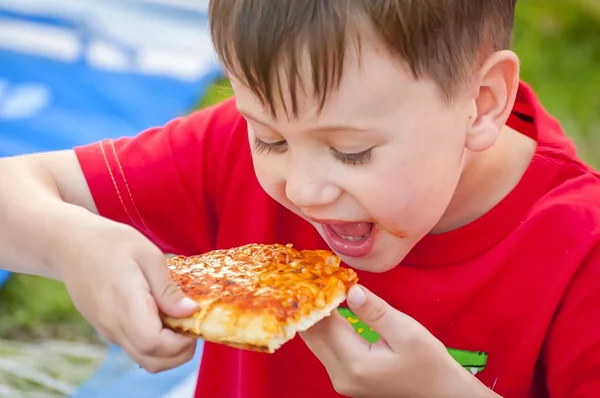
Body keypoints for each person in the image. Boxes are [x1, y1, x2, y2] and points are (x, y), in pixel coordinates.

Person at [1, 0, 599, 396]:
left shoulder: (580, 254)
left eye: (352, 152)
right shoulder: (228, 151)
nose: (303, 190)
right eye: (271, 137)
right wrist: (69, 242)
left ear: (485, 102)